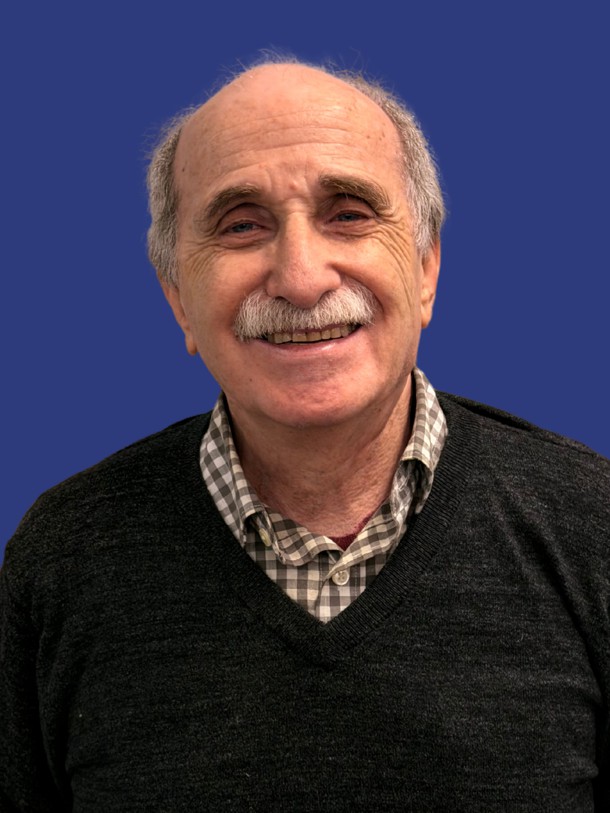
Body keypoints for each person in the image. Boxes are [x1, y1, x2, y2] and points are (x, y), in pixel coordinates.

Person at [1, 59, 608, 812]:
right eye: (241, 225)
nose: (300, 276)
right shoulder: (62, 557)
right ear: (178, 297)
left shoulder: (593, 528)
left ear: (426, 268)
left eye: (348, 214)